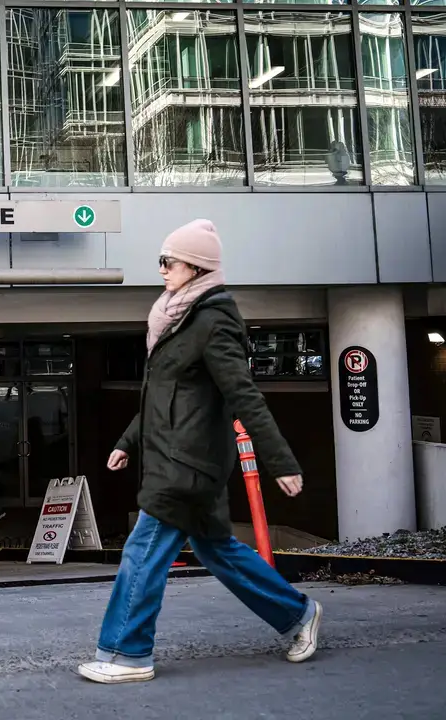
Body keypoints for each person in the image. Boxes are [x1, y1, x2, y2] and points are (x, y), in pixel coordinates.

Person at [77, 219, 322, 684]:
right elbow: (161, 395)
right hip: (174, 455)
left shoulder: (214, 321)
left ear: (196, 267)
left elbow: (243, 394)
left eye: (169, 262)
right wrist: (127, 441)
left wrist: (280, 461)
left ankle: (128, 654)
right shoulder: (176, 317)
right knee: (218, 551)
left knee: (143, 551)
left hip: (188, 463)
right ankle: (299, 614)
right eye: (162, 261)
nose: (162, 269)